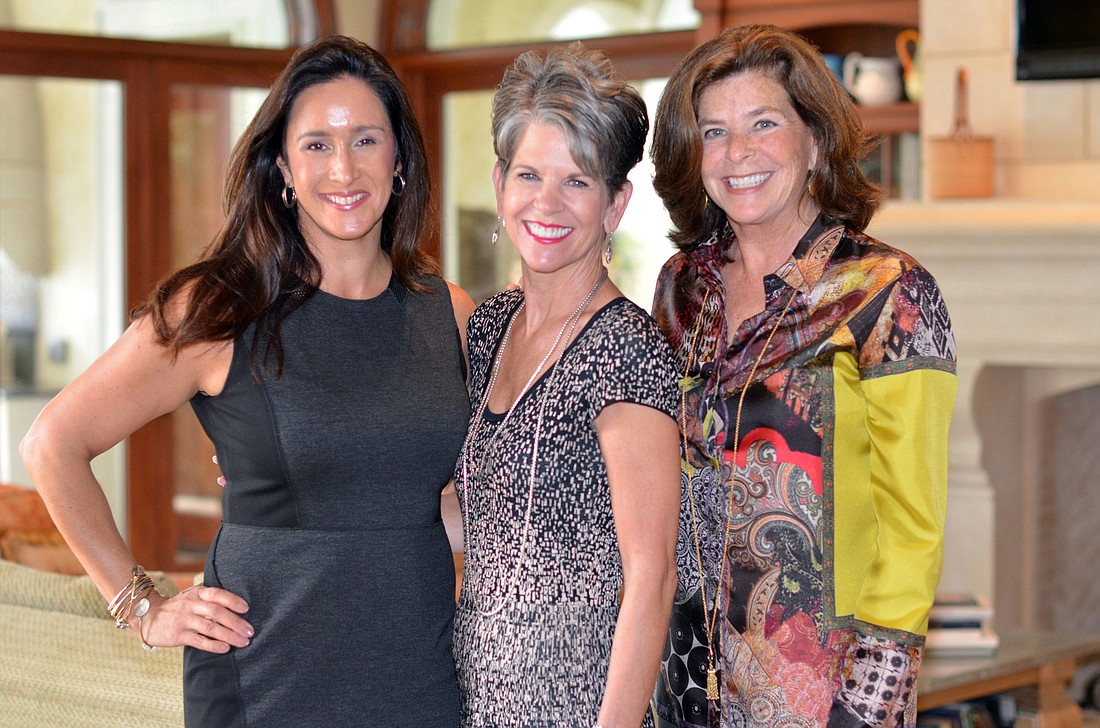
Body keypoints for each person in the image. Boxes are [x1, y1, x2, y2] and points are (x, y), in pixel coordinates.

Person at [19, 35, 473, 726]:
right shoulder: (221, 306)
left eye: (367, 140)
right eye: (317, 144)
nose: (344, 168)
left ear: (401, 160)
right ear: (283, 168)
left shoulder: (453, 311)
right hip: (266, 679)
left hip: (419, 675)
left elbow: (434, 503)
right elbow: (53, 444)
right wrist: (139, 605)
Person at [647, 24, 957, 728]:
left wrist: (867, 706)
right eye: (714, 132)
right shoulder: (678, 290)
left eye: (764, 124)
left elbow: (913, 535)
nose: (739, 153)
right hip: (684, 681)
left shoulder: (890, 292)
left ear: (814, 140)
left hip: (826, 695)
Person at [452, 43, 681, 728]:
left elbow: (653, 574)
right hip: (474, 704)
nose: (546, 203)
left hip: (580, 710)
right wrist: (304, 484)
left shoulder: (627, 350)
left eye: (577, 182)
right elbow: (476, 522)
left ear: (615, 205)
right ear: (499, 185)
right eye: (529, 174)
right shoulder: (489, 329)